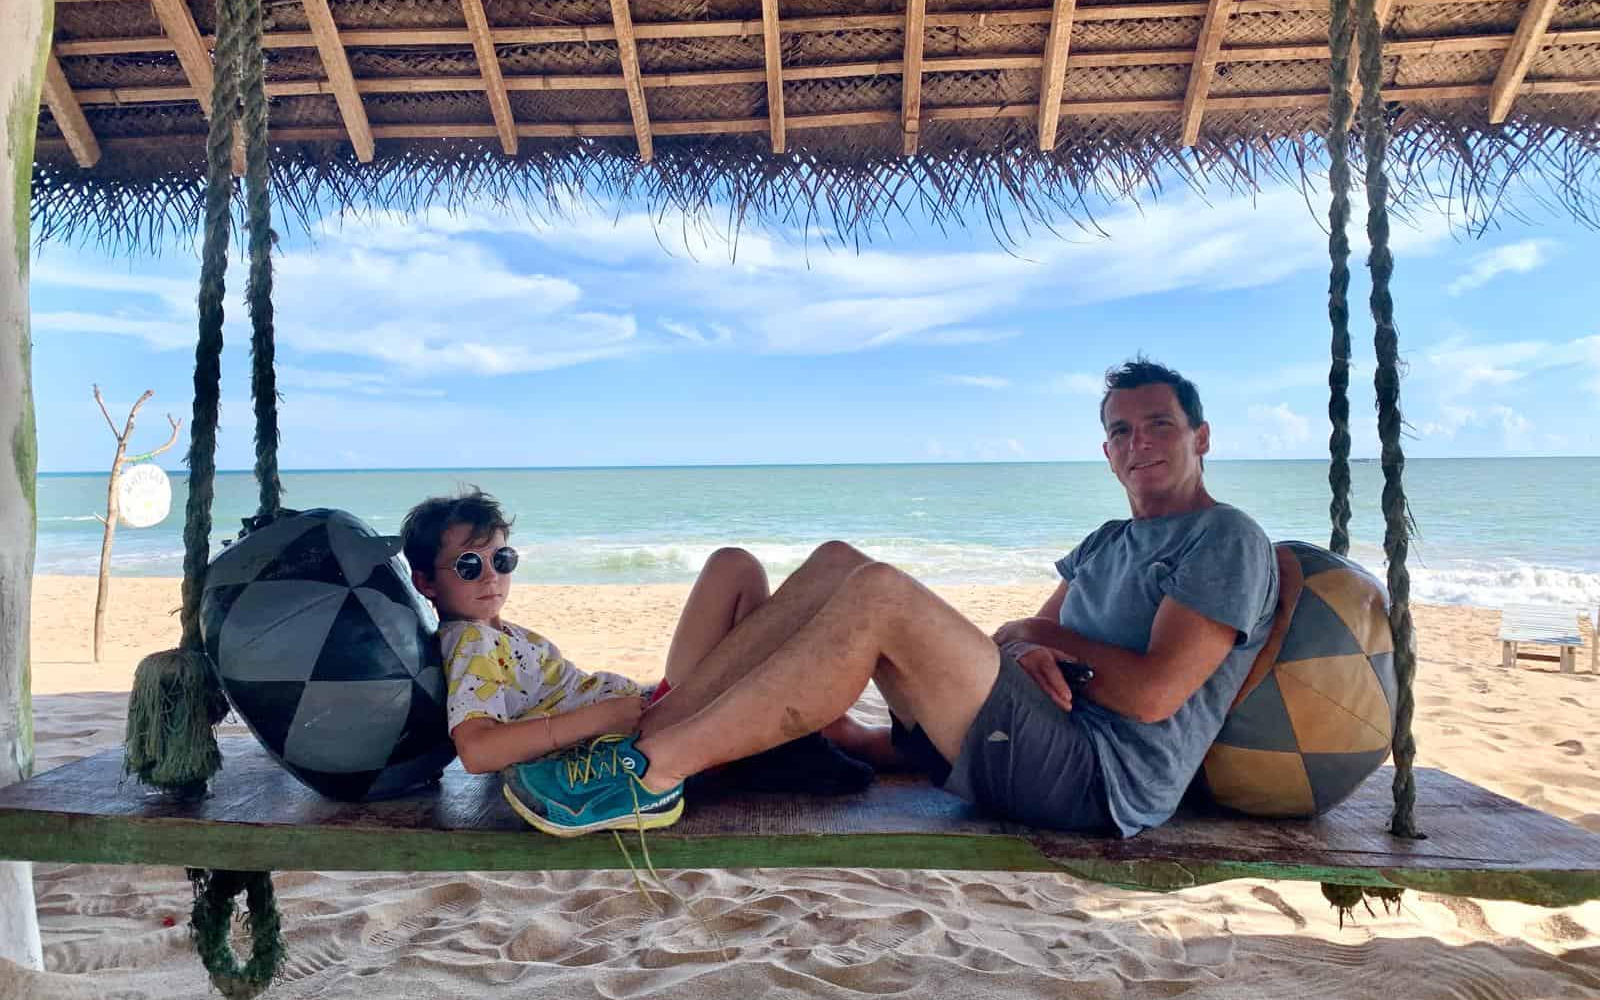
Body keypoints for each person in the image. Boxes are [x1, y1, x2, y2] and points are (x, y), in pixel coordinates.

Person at [501, 359, 1279, 840]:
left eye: (1158, 425)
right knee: (841, 561)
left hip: (1099, 780)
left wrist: (1038, 633)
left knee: (878, 593)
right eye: (1120, 431)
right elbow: (1023, 640)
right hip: (1037, 740)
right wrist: (1031, 641)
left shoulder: (1224, 539)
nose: (1138, 442)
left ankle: (646, 774)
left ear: (1200, 437)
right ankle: (651, 730)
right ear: (1105, 450)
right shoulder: (1109, 540)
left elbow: (1149, 696)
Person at [401, 489, 871, 831]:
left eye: (502, 560)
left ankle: (797, 745)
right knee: (755, 566)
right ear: (425, 583)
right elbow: (478, 751)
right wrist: (597, 718)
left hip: (652, 712)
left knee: (742, 568)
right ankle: (785, 748)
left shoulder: (495, 633)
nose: (491, 577)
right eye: (469, 566)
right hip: (649, 733)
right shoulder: (471, 643)